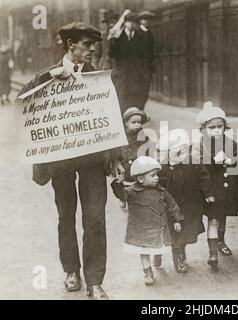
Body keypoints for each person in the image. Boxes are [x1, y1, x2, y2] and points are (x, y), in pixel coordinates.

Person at [18, 21, 124, 299]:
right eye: (87, 45)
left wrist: (115, 156)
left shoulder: (98, 79)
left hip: (91, 159)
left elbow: (110, 117)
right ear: (70, 46)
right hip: (61, 158)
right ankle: (71, 271)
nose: (91, 50)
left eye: (93, 45)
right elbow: (22, 101)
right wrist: (49, 78)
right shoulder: (48, 76)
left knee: (95, 218)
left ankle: (95, 280)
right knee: (66, 216)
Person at [111, 156, 184, 285]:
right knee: (144, 251)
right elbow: (121, 195)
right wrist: (118, 183)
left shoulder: (161, 191)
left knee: (159, 245)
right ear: (140, 179)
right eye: (153, 175)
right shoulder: (132, 191)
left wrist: (177, 219)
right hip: (142, 229)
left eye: (157, 175)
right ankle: (148, 273)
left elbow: (172, 204)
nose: (157, 178)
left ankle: (157, 258)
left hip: (158, 227)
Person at [197, 102, 238, 268]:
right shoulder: (202, 145)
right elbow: (199, 167)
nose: (217, 130)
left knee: (223, 216)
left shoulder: (230, 142)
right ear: (204, 128)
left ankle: (221, 241)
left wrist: (231, 160)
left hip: (227, 186)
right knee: (213, 219)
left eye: (220, 126)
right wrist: (213, 161)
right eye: (212, 127)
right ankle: (212, 253)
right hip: (211, 187)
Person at [157, 129, 214, 273]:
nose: (180, 154)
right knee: (174, 232)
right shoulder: (163, 168)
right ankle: (177, 258)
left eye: (183, 149)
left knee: (187, 230)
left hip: (190, 203)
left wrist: (208, 194)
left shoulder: (193, 163)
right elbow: (158, 185)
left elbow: (204, 177)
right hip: (172, 206)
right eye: (175, 151)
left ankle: (181, 251)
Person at [109, 11, 155, 113]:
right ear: (125, 23)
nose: (132, 24)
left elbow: (144, 55)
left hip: (136, 72)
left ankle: (134, 116)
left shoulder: (141, 36)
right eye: (129, 22)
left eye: (134, 22)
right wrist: (113, 41)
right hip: (122, 72)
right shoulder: (118, 36)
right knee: (121, 96)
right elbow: (111, 54)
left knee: (135, 96)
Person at [117, 107, 151, 209]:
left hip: (137, 161)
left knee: (137, 181)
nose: (137, 125)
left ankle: (136, 199)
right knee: (124, 181)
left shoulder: (142, 135)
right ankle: (122, 197)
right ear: (126, 123)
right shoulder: (121, 135)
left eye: (139, 122)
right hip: (125, 162)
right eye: (134, 122)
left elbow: (146, 147)